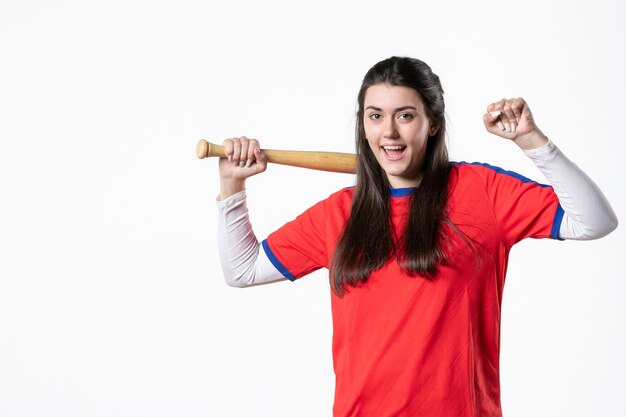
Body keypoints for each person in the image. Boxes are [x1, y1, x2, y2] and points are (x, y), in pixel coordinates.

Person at [214, 56, 618, 417]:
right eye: (375, 116)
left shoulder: (480, 190)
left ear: (433, 122)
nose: (388, 132)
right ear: (363, 125)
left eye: (405, 116)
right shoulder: (340, 213)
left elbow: (594, 221)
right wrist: (232, 185)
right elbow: (243, 270)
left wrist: (531, 140)